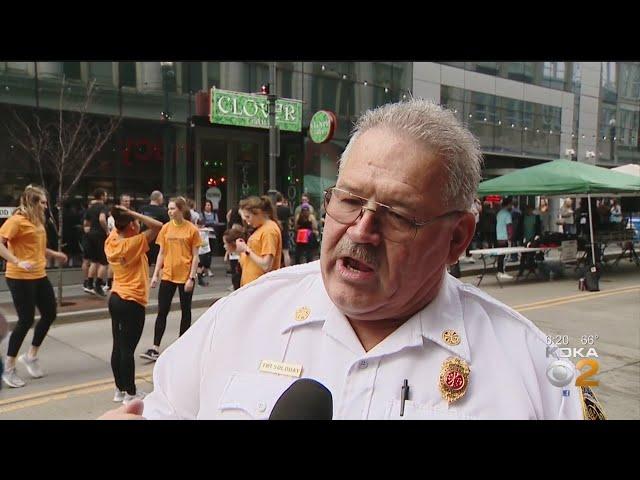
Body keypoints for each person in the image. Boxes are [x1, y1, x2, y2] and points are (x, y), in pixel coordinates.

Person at [100, 99, 599, 420]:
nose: (362, 230)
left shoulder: (532, 370)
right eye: (350, 201)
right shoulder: (240, 318)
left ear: (457, 239)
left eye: (398, 215)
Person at [0, 185, 68, 388]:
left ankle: (30, 356)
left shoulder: (37, 221)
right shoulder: (16, 221)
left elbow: (34, 246)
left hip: (39, 274)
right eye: (43, 203)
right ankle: (9, 367)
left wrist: (53, 254)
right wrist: (16, 260)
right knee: (26, 319)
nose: (47, 206)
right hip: (19, 276)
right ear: (32, 203)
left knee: (49, 314)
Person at [105, 205, 163, 403]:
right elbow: (158, 227)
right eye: (136, 222)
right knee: (127, 349)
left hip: (115, 298)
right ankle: (130, 393)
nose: (139, 224)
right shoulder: (134, 242)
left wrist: (124, 215)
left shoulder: (111, 241)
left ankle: (119, 389)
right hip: (132, 301)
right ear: (130, 225)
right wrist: (132, 213)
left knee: (118, 345)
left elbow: (120, 225)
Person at [140, 197, 202, 362]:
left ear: (181, 210)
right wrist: (155, 276)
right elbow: (161, 253)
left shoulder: (192, 230)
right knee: (162, 311)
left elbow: (196, 256)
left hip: (185, 276)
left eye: (173, 208)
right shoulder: (166, 228)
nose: (170, 211)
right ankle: (155, 348)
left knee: (185, 310)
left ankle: (183, 344)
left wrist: (191, 277)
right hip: (168, 275)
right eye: (169, 208)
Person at [234, 196, 282, 287]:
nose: (248, 222)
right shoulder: (263, 229)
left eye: (248, 217)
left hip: (260, 287)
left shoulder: (269, 230)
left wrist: (246, 250)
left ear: (258, 213)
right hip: (254, 285)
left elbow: (266, 265)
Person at [83, 188, 110, 297]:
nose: (106, 197)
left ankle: (89, 284)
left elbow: (85, 222)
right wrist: (107, 230)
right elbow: (102, 219)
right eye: (106, 195)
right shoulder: (103, 207)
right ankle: (98, 284)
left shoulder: (90, 208)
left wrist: (89, 230)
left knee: (94, 260)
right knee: (104, 261)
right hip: (100, 235)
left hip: (90, 235)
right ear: (102, 196)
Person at [106, 193, 132, 291]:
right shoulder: (113, 216)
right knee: (114, 263)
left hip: (127, 243)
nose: (127, 203)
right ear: (121, 202)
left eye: (128, 201)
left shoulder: (130, 214)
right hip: (117, 242)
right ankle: (109, 283)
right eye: (125, 201)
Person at [139, 190, 170, 266]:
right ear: (159, 199)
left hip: (144, 239)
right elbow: (167, 227)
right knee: (158, 264)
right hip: (157, 241)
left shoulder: (142, 209)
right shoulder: (163, 211)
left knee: (144, 263)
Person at [197, 200, 218, 282]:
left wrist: (209, 224)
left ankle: (208, 268)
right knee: (203, 253)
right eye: (206, 205)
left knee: (209, 253)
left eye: (209, 205)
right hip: (203, 237)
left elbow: (216, 223)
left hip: (212, 235)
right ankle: (203, 268)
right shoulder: (201, 214)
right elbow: (200, 222)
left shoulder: (214, 214)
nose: (208, 206)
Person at [495, 197, 514, 280]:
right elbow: (509, 226)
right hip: (505, 237)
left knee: (500, 255)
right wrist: (510, 236)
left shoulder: (499, 213)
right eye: (511, 204)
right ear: (508, 204)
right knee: (504, 256)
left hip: (499, 236)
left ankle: (499, 271)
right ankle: (501, 271)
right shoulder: (507, 214)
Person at [275, 192, 292, 267]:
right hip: (285, 230)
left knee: (275, 251)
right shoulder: (286, 209)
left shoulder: (273, 209)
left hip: (275, 231)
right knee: (286, 252)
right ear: (281, 199)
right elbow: (289, 220)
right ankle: (287, 267)